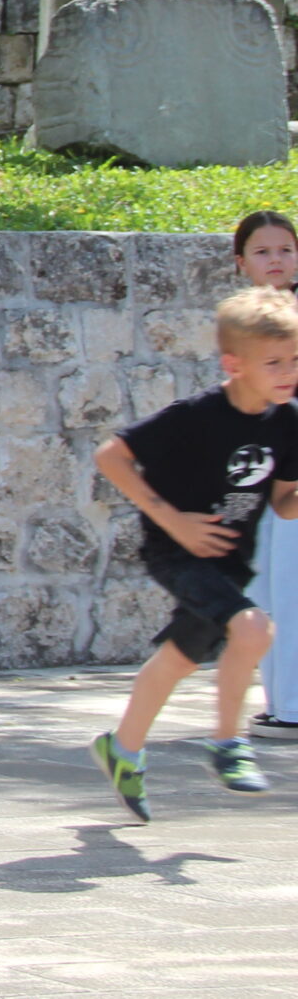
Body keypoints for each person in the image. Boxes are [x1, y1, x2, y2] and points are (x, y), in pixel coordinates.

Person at [88, 287, 298, 818]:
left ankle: (122, 749)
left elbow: (284, 505)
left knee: (181, 658)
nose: (288, 372)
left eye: (294, 359)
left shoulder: (288, 423)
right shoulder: (195, 415)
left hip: (230, 562)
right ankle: (228, 744)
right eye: (274, 362)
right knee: (254, 630)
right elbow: (111, 456)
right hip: (177, 552)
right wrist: (173, 520)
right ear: (234, 364)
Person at [232, 210, 298, 736]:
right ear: (241, 262)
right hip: (261, 466)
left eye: (285, 250)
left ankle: (293, 706)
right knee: (266, 589)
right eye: (262, 252)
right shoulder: (243, 318)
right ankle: (282, 702)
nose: (275, 260)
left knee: (290, 584)